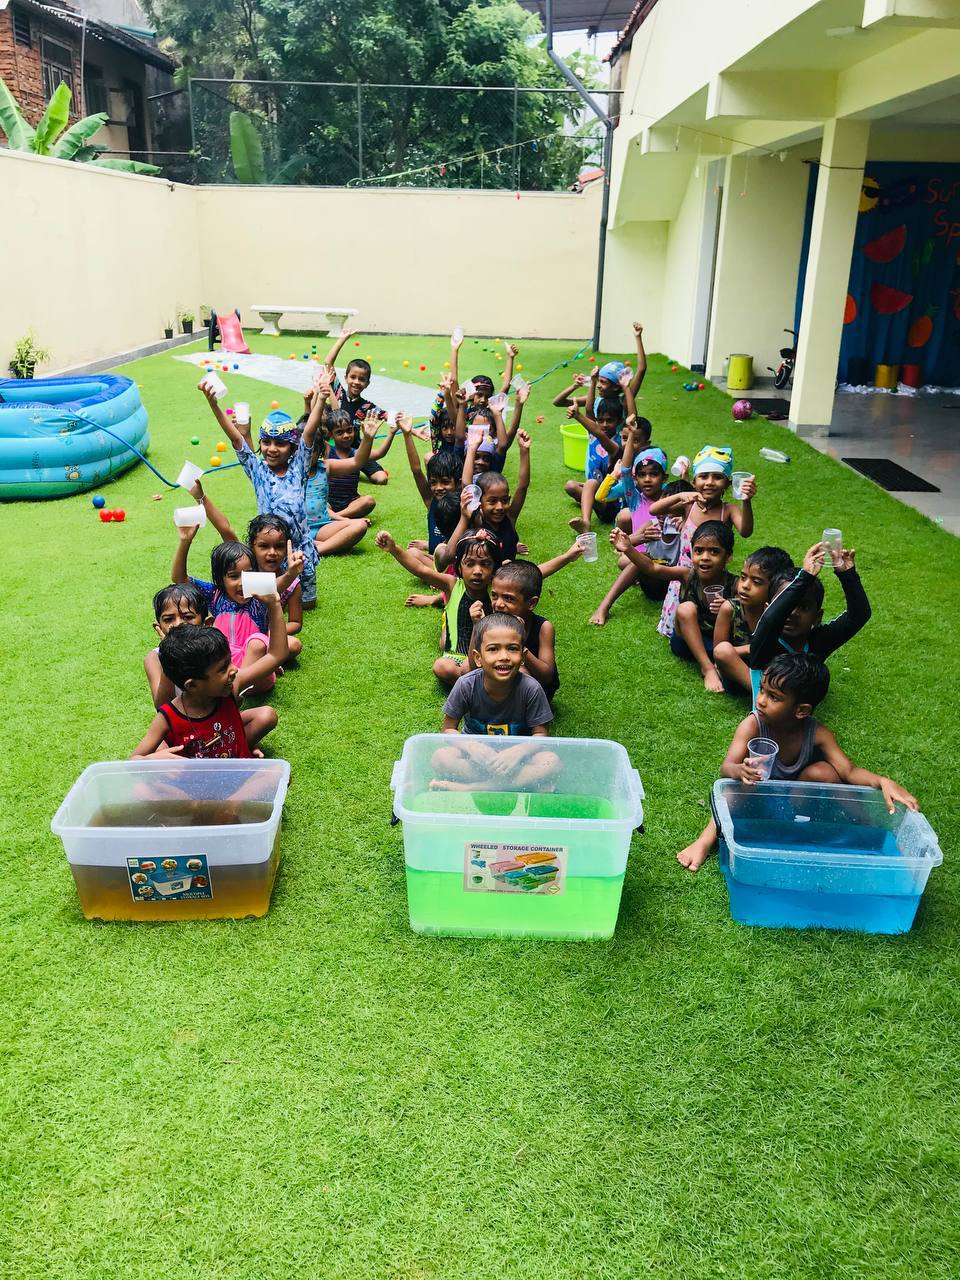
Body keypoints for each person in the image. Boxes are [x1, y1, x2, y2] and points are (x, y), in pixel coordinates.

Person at [677, 652, 919, 871]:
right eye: (762, 690)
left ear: (801, 710)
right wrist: (740, 770)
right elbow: (726, 767)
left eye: (774, 697)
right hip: (760, 799)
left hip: (798, 806)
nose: (760, 700)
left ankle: (868, 832)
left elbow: (849, 771)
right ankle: (704, 841)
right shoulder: (753, 724)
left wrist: (882, 781)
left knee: (824, 771)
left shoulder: (817, 733)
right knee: (732, 791)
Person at [200, 379, 320, 610]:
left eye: (280, 444)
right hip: (269, 549)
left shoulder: (299, 467)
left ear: (292, 448)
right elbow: (236, 439)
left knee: (307, 604)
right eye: (266, 442)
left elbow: (310, 432)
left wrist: (322, 398)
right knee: (269, 601)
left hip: (298, 549)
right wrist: (213, 403)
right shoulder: (257, 469)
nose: (272, 448)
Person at [132, 606, 288, 759]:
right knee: (142, 786)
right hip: (194, 782)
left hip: (236, 775)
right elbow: (134, 760)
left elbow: (276, 655)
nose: (233, 670)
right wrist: (155, 759)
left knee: (275, 776)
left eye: (230, 662)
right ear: (192, 685)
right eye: (222, 669)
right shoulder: (167, 717)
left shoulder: (232, 687)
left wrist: (274, 604)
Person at [431, 613, 561, 791]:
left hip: (517, 760)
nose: (504, 656)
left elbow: (541, 734)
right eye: (493, 649)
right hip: (476, 758)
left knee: (551, 761)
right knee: (440, 757)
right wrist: (471, 747)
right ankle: (515, 785)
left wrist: (518, 752)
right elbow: (448, 729)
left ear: (523, 656)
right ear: (478, 657)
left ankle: (471, 788)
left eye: (513, 648)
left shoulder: (531, 688)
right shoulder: (466, 685)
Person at [613, 519, 738, 692]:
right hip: (686, 642)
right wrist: (628, 548)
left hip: (719, 644)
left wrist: (729, 606)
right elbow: (652, 569)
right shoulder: (687, 575)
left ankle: (717, 662)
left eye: (714, 552)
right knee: (686, 608)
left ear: (728, 556)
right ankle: (708, 668)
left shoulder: (735, 584)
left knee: (730, 613)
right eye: (699, 551)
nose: (705, 558)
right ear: (691, 551)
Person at [652, 444, 756, 641]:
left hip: (714, 579)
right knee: (684, 618)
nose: (709, 482)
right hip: (685, 576)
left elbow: (746, 531)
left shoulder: (729, 510)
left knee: (711, 617)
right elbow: (655, 510)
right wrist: (680, 495)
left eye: (717, 477)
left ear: (727, 483)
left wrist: (746, 501)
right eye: (703, 476)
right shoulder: (689, 505)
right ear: (694, 480)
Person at [376, 528, 501, 687]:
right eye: (470, 564)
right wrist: (394, 549)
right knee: (442, 667)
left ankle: (473, 683)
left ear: (494, 567)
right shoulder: (452, 585)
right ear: (460, 566)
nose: (477, 571)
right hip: (456, 657)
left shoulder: (497, 591)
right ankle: (480, 684)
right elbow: (421, 570)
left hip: (488, 656)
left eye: (485, 564)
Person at [172, 530, 290, 693]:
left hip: (256, 673)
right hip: (223, 669)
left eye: (248, 575)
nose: (242, 583)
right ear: (221, 579)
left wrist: (292, 573)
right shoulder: (215, 595)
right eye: (234, 576)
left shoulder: (260, 597)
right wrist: (185, 542)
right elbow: (180, 579)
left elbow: (278, 586)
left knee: (257, 642)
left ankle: (237, 689)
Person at [749, 540, 871, 682]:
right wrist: (804, 577)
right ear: (768, 609)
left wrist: (848, 575)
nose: (793, 612)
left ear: (817, 617)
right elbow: (770, 620)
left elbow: (859, 615)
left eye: (804, 607)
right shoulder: (764, 644)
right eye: (788, 606)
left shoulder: (819, 642)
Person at [589, 436, 669, 626]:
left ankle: (634, 580)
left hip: (669, 571)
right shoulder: (635, 499)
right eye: (642, 475)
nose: (647, 480)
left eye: (654, 474)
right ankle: (605, 605)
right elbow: (624, 472)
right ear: (636, 478)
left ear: (664, 478)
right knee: (629, 561)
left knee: (633, 561)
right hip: (644, 563)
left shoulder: (670, 498)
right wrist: (631, 437)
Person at [440, 432, 532, 564]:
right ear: (478, 502)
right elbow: (448, 557)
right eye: (492, 501)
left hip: (507, 581)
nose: (500, 507)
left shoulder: (510, 517)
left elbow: (522, 486)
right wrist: (472, 448)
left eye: (504, 500)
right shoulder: (475, 522)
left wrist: (524, 451)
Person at [712, 546, 795, 694]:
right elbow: (718, 653)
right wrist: (750, 648)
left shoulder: (781, 615)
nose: (745, 586)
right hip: (735, 674)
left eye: (756, 582)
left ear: (777, 588)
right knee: (724, 651)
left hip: (771, 672)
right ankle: (763, 694)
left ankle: (769, 693)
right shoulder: (730, 609)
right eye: (743, 577)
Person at [303, 402, 377, 553]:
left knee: (359, 526)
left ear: (320, 451)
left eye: (313, 451)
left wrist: (368, 438)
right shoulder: (288, 470)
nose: (307, 455)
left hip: (323, 527)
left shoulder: (325, 466)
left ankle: (318, 548)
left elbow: (357, 462)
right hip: (296, 528)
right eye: (303, 451)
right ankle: (323, 544)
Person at [321, 325, 390, 485]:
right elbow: (328, 363)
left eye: (361, 379)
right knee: (330, 474)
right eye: (353, 377)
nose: (356, 382)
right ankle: (346, 468)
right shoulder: (337, 393)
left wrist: (413, 431)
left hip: (356, 452)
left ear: (367, 383)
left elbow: (389, 417)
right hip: (334, 450)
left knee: (382, 478)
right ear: (346, 377)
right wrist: (342, 338)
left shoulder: (367, 407)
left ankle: (352, 468)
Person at [487, 560, 561, 700]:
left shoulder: (543, 628)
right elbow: (475, 664)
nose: (498, 604)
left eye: (508, 598)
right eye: (495, 595)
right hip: (502, 682)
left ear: (531, 603)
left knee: (520, 670)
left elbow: (546, 677)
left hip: (538, 691)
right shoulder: (493, 622)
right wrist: (476, 625)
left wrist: (518, 642)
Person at [396, 415, 461, 560]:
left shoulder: (463, 505)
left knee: (416, 554)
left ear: (458, 483)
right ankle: (431, 547)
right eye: (433, 482)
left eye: (445, 482)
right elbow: (416, 470)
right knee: (413, 553)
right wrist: (407, 435)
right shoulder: (432, 502)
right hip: (439, 559)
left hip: (457, 563)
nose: (438, 488)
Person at [552, 321, 647, 410]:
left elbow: (641, 370)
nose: (598, 386)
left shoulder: (625, 401)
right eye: (598, 381)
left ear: (616, 386)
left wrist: (638, 337)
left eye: (603, 382)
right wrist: (574, 386)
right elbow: (558, 402)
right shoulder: (595, 400)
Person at [325, 409, 396, 519]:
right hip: (329, 503)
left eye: (349, 430)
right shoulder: (327, 451)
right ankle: (338, 517)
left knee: (368, 501)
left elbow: (380, 453)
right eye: (339, 432)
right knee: (318, 503)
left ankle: (334, 518)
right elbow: (310, 435)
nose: (346, 435)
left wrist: (391, 432)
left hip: (351, 502)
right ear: (331, 435)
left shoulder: (358, 454)